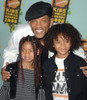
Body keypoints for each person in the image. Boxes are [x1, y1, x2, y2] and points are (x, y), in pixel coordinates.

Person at [1, 1, 87, 81]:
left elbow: (78, 52)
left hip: (53, 80)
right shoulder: (19, 33)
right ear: (29, 23)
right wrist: (7, 69)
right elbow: (10, 52)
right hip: (27, 79)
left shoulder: (61, 32)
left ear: (51, 22)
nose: (38, 26)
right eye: (34, 22)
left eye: (43, 21)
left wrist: (84, 66)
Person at [42, 23, 87, 100]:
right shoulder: (47, 64)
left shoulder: (79, 63)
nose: (63, 45)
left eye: (66, 41)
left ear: (71, 42)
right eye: (58, 42)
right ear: (52, 44)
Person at [0, 35, 42, 100]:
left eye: (31, 50)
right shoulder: (12, 68)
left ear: (38, 52)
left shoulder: (40, 72)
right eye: (23, 50)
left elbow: (41, 94)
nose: (26, 54)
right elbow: (5, 90)